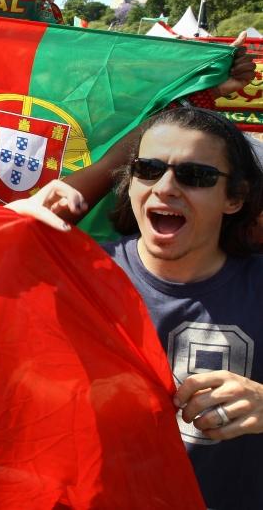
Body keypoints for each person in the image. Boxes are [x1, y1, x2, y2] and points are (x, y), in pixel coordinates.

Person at [101, 107, 262, 509]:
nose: (166, 187)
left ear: (235, 198)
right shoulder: (79, 276)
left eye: (195, 176)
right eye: (148, 169)